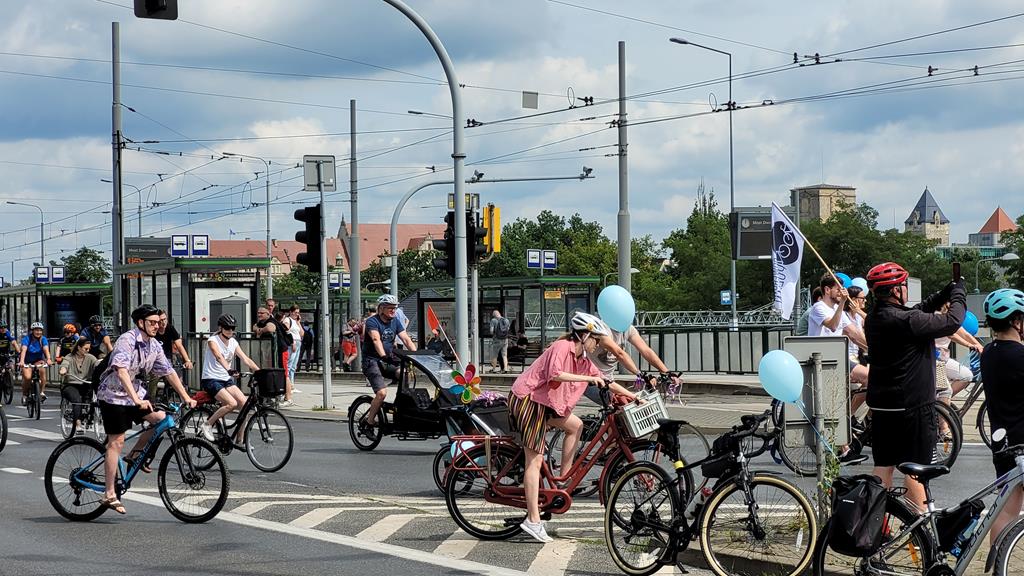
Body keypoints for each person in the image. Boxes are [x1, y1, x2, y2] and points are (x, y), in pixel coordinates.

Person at [509, 312, 641, 542]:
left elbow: (608, 382)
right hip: (528, 399)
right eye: (596, 340)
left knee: (576, 425)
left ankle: (563, 480)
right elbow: (555, 374)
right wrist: (588, 380)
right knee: (535, 460)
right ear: (584, 335)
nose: (598, 345)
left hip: (545, 403)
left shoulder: (583, 360)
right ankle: (532, 520)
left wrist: (634, 396)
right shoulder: (563, 346)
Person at [864, 261, 965, 509]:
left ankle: (874, 525)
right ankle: (921, 533)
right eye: (904, 285)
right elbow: (953, 321)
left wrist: (944, 292)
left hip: (883, 407)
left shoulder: (875, 318)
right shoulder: (907, 321)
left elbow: (917, 311)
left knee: (884, 467)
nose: (906, 289)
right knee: (917, 471)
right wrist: (959, 293)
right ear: (896, 291)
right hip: (913, 408)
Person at [95, 304, 196, 515]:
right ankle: (109, 492)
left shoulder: (154, 345)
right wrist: (136, 400)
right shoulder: (127, 340)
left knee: (161, 419)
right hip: (113, 395)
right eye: (152, 322)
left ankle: (134, 456)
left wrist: (186, 397)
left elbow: (168, 372)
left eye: (158, 322)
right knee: (117, 441)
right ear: (140, 323)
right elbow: (121, 372)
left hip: (135, 394)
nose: (156, 326)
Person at [979, 288, 1024, 545]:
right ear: (1016, 321)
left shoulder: (990, 353)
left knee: (1006, 510)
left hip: (1003, 443)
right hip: (1021, 443)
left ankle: (998, 562)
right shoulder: (1019, 356)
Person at [580, 311, 681, 405]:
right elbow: (619, 354)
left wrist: (666, 372)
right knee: (621, 403)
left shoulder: (627, 329)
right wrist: (639, 374)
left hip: (608, 380)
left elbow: (645, 350)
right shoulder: (601, 330)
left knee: (621, 410)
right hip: (591, 379)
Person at [198, 314, 259, 442]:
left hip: (225, 379)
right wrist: (229, 369)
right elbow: (218, 356)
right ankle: (207, 424)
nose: (230, 331)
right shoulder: (213, 340)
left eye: (232, 328)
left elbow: (245, 359)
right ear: (220, 327)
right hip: (211, 379)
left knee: (245, 404)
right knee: (232, 403)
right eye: (227, 328)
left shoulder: (233, 342)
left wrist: (260, 372)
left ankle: (240, 440)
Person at [359, 294, 417, 428]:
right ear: (381, 308)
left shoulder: (395, 321)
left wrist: (416, 356)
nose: (393, 310)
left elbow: (406, 339)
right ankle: (369, 421)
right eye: (390, 308)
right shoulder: (372, 321)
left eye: (394, 308)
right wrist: (383, 355)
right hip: (371, 361)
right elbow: (375, 339)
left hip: (387, 361)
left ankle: (400, 407)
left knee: (404, 375)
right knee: (381, 393)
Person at [151, 310, 194, 402]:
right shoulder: (153, 331)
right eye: (160, 320)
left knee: (175, 381)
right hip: (154, 360)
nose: (163, 322)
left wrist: (187, 360)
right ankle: (151, 402)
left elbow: (179, 345)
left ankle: (165, 400)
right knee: (153, 380)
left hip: (167, 359)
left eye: (165, 319)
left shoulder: (170, 328)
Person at [59, 338, 98, 434]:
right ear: (79, 347)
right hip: (70, 384)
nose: (88, 351)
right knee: (77, 401)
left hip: (86, 384)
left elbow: (97, 364)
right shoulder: (69, 357)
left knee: (97, 396)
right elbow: (64, 364)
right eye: (85, 349)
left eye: (89, 349)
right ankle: (78, 424)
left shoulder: (90, 358)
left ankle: (92, 415)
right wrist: (63, 370)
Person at [18, 321, 52, 404]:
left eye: (40, 330)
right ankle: (25, 394)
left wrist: (48, 359)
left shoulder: (43, 339)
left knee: (42, 370)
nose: (38, 332)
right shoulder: (27, 339)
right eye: (36, 330)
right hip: (27, 361)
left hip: (38, 360)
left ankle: (41, 392)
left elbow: (46, 349)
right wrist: (22, 361)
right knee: (28, 378)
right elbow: (24, 350)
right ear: (32, 331)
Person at [285, 305, 303, 391]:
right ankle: (288, 385)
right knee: (289, 364)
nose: (297, 314)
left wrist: (299, 322)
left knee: (293, 366)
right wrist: (292, 342)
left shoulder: (296, 321)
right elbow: (287, 331)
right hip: (293, 343)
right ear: (291, 312)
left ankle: (292, 384)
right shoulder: (287, 320)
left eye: (298, 313)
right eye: (295, 312)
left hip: (298, 342)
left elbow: (302, 333)